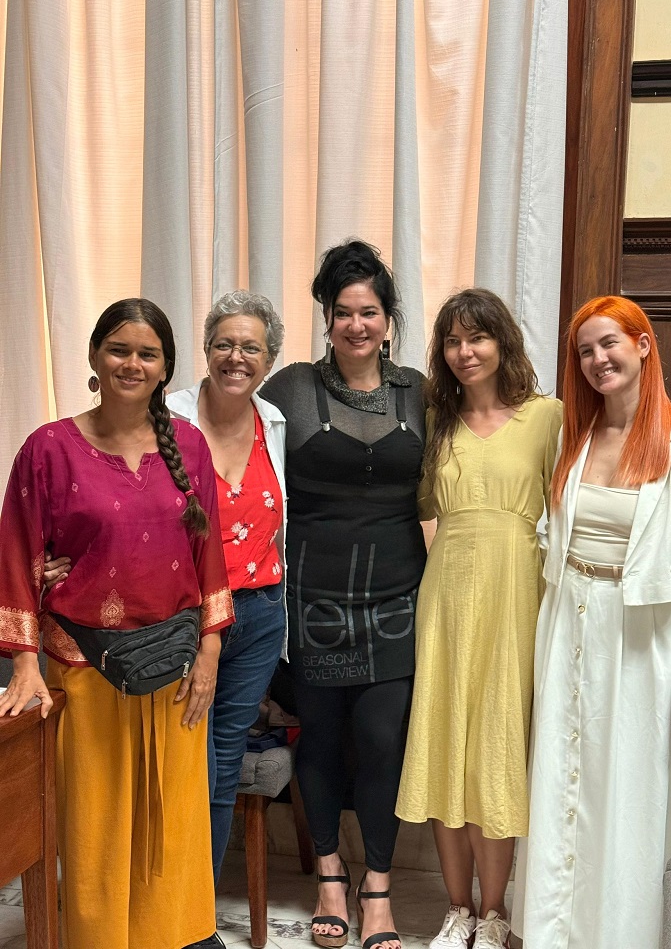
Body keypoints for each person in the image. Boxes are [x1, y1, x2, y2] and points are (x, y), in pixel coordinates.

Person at [0, 298, 234, 949]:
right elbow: (16, 553)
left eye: (147, 354)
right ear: (94, 358)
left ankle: (174, 936)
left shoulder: (189, 445)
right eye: (119, 350)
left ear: (165, 368)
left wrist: (210, 653)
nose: (133, 364)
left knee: (172, 821)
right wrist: (24, 665)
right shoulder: (48, 449)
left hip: (175, 669)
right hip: (83, 668)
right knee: (95, 826)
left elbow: (209, 554)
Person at [511, 296, 671, 949]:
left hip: (643, 638)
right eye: (585, 350)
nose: (598, 359)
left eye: (609, 343)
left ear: (642, 345)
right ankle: (549, 931)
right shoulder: (573, 438)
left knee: (628, 787)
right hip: (568, 621)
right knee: (559, 774)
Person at [260, 239, 426, 949]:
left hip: (398, 596)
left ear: (388, 319)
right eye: (343, 312)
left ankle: (377, 887)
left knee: (384, 742)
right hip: (313, 598)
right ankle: (330, 875)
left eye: (370, 311)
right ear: (327, 318)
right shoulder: (291, 389)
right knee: (322, 739)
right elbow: (233, 457)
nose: (357, 324)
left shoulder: (420, 391)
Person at [395, 289, 562, 949]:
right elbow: (418, 507)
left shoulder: (547, 417)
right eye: (452, 341)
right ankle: (457, 909)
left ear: (503, 342)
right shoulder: (435, 420)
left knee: (497, 746)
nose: (464, 352)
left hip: (516, 593)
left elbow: (573, 508)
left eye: (477, 337)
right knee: (446, 747)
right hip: (446, 596)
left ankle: (495, 913)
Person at [167, 292, 287, 889]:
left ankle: (201, 908)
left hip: (260, 615)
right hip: (186, 619)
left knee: (222, 765)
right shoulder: (169, 418)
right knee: (184, 760)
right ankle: (166, 904)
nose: (236, 357)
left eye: (251, 348)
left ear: (268, 360)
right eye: (224, 344)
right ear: (207, 349)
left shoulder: (275, 422)